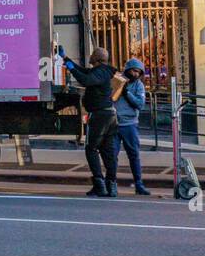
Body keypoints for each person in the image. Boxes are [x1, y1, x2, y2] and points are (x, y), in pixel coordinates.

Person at [58, 45, 119, 197]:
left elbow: (84, 79)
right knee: (108, 151)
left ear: (97, 59)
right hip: (109, 116)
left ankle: (99, 184)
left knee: (91, 149)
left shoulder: (100, 73)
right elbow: (84, 71)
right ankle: (111, 186)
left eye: (92, 55)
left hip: (100, 116)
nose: (90, 56)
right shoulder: (102, 71)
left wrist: (70, 67)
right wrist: (66, 59)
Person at [111, 58, 150, 195]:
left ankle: (138, 183)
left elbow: (140, 104)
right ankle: (112, 184)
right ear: (128, 70)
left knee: (133, 155)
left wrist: (127, 93)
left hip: (129, 124)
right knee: (112, 155)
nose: (135, 74)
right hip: (114, 123)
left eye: (138, 72)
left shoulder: (138, 85)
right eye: (133, 71)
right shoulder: (118, 80)